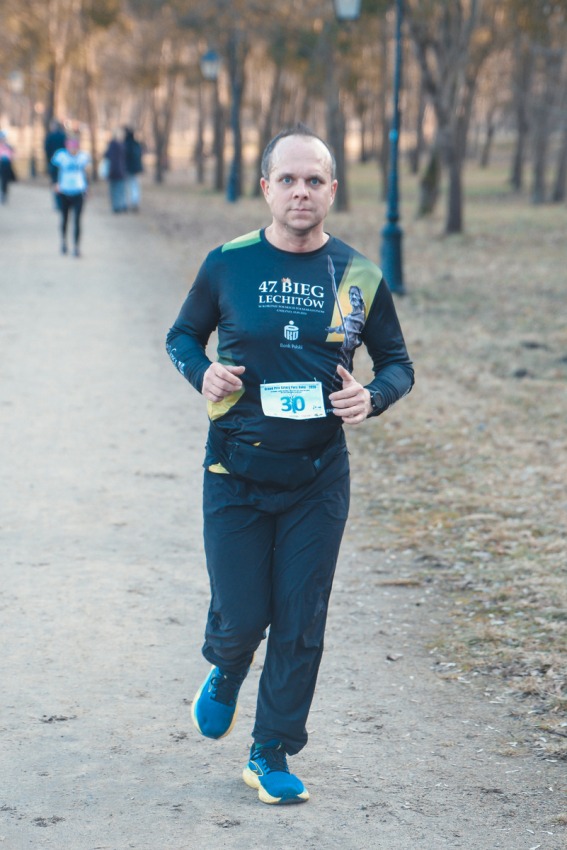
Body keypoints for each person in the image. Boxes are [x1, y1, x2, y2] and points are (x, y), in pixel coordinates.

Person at [165, 124, 414, 805]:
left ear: (331, 190)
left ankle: (269, 750)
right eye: (288, 179)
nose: (300, 192)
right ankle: (227, 664)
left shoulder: (359, 274)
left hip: (317, 476)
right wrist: (201, 372)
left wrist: (373, 396)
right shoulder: (228, 263)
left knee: (301, 619)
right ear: (266, 187)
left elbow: (397, 363)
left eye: (313, 180)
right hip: (235, 470)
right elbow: (182, 335)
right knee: (243, 617)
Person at [51, 135, 91, 257]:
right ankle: (64, 242)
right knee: (65, 219)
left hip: (78, 191)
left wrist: (88, 187)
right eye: (71, 146)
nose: (73, 149)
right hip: (64, 191)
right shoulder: (61, 156)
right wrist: (55, 183)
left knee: (77, 220)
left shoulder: (83, 157)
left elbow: (87, 173)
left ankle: (76, 247)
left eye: (75, 146)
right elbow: (53, 170)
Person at [103, 129, 127, 213]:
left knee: (114, 190)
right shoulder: (122, 146)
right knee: (120, 189)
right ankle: (120, 205)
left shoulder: (112, 145)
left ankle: (116, 206)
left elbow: (106, 156)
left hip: (114, 171)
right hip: (120, 171)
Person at [44, 119, 67, 207]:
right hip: (61, 163)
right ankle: (61, 201)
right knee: (60, 181)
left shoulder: (50, 136)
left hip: (54, 163)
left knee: (55, 182)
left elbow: (46, 149)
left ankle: (58, 202)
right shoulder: (63, 135)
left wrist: (48, 161)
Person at [123, 127, 144, 211]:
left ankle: (129, 203)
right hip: (135, 169)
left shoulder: (126, 144)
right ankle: (134, 202)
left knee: (128, 186)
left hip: (128, 169)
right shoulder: (136, 144)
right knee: (134, 186)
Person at [0, 131, 17, 205]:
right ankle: (2, 193)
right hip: (1, 164)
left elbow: (13, 155)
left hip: (6, 165)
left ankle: (4, 193)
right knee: (2, 180)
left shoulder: (8, 146)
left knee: (5, 181)